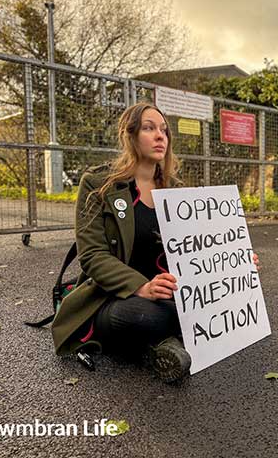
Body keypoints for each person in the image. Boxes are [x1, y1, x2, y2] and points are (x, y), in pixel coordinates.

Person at [51, 103, 258, 383]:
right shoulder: (97, 184)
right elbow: (93, 256)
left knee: (213, 301)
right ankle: (172, 339)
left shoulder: (176, 191)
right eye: (149, 128)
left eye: (164, 130)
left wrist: (233, 266)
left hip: (167, 293)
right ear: (130, 135)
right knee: (144, 315)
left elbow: (199, 249)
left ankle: (165, 344)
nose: (160, 136)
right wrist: (142, 287)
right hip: (115, 298)